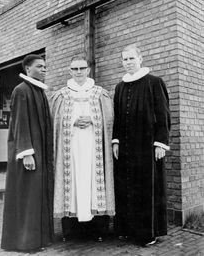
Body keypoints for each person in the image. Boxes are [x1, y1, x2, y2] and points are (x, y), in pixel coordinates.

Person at [50, 56, 115, 242]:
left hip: (95, 150)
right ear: (69, 71)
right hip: (70, 150)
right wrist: (71, 121)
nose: (78, 72)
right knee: (73, 184)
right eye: (74, 69)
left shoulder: (100, 93)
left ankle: (97, 231)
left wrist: (94, 120)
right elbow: (54, 122)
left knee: (94, 184)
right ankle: (71, 232)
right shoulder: (61, 95)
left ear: (88, 70)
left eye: (82, 68)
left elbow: (110, 120)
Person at [112, 44, 170, 246]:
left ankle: (148, 233)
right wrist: (116, 140)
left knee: (146, 188)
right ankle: (128, 229)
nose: (127, 63)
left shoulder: (154, 82)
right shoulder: (120, 87)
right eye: (124, 59)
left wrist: (161, 143)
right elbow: (117, 118)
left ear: (140, 59)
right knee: (127, 186)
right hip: (126, 147)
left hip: (147, 146)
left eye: (131, 59)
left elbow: (163, 114)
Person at [1, 54, 54, 252]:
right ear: (27, 69)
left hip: (39, 152)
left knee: (36, 196)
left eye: (45, 67)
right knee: (27, 197)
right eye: (40, 66)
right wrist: (27, 153)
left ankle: (38, 239)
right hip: (29, 155)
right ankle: (26, 243)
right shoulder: (21, 90)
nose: (44, 70)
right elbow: (20, 123)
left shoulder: (38, 91)